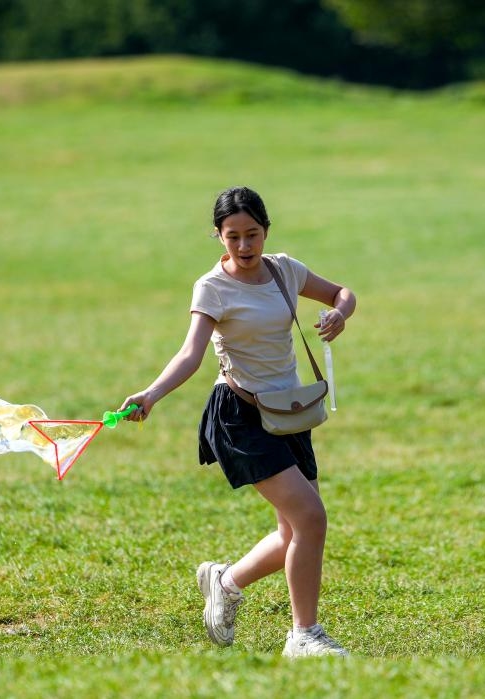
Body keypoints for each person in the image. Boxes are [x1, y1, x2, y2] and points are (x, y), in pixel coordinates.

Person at [119, 186, 357, 658]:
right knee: (311, 517)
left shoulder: (284, 269)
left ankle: (225, 582)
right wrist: (152, 393)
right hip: (239, 415)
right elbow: (191, 353)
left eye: (252, 235)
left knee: (293, 531)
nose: (245, 247)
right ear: (218, 236)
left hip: (286, 412)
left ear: (266, 231)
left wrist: (339, 314)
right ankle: (303, 636)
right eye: (233, 237)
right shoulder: (211, 287)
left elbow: (341, 293)